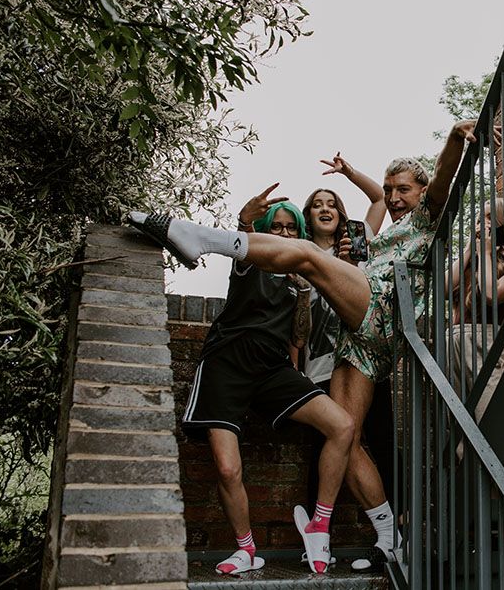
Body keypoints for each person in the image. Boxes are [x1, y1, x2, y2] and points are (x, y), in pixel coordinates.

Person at [129, 119, 476, 569]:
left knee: (311, 256)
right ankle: (389, 535)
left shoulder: (429, 215)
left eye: (402, 190)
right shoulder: (385, 231)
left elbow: (444, 178)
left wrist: (452, 138)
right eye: (389, 190)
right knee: (344, 437)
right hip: (360, 340)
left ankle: (204, 239)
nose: (393, 199)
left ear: (421, 190)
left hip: (383, 312)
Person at [180, 200, 354, 575]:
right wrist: (245, 221)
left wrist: (305, 293)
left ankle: (318, 524)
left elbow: (300, 336)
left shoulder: (298, 279)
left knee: (342, 425)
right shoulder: (252, 261)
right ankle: (245, 550)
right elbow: (242, 242)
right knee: (228, 469)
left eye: (292, 228)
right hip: (227, 363)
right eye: (277, 227)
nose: (285, 234)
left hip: (273, 368)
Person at [299, 156, 401, 533]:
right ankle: (318, 530)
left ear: (342, 214)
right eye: (316, 204)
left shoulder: (358, 245)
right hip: (319, 367)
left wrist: (349, 173)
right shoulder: (301, 257)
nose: (325, 209)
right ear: (307, 216)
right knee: (325, 447)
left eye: (332, 204)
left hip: (366, 362)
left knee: (382, 441)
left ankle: (397, 527)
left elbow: (380, 201)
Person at [446, 198, 504, 498]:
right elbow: (445, 287)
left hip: (485, 342)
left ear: (502, 224)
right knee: (463, 438)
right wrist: (471, 250)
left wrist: (484, 253)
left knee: (493, 426)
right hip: (454, 341)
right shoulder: (472, 257)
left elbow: (488, 296)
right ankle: (483, 519)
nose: (478, 221)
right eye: (477, 216)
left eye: (486, 217)